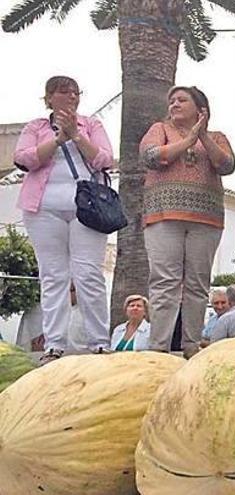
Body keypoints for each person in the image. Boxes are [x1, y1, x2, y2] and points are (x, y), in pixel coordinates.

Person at [13, 75, 115, 365]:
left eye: (75, 92)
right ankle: (54, 343)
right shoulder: (36, 127)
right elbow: (25, 159)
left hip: (88, 208)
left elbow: (105, 160)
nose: (71, 96)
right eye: (63, 92)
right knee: (53, 275)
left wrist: (76, 136)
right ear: (48, 98)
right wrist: (57, 139)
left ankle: (98, 341)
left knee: (88, 274)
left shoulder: (91, 125)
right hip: (43, 208)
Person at [140, 86, 235, 359]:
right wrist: (187, 141)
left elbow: (226, 165)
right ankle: (158, 347)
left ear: (200, 108)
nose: (174, 104)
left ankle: (191, 346)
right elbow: (151, 157)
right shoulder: (160, 129)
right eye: (171, 100)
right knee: (164, 281)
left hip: (205, 218)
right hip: (163, 215)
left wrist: (202, 135)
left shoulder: (216, 137)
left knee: (197, 284)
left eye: (182, 100)